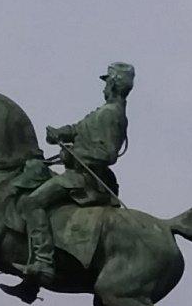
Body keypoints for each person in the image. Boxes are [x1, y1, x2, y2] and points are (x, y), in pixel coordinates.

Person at [17, 62, 133, 281]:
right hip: (76, 175)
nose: (104, 87)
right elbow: (79, 128)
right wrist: (61, 133)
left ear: (115, 84)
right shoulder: (103, 111)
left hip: (85, 179)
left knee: (33, 202)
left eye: (107, 81)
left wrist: (72, 153)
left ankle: (43, 260)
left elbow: (108, 154)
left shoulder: (112, 114)